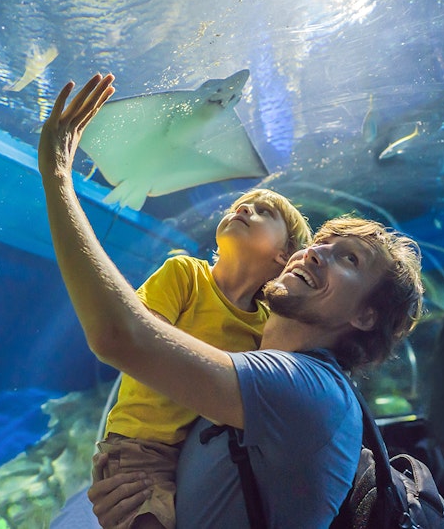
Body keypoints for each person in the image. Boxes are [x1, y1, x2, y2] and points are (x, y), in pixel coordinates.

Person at [39, 73, 425, 528]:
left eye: (349, 259)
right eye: (319, 242)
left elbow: (119, 335)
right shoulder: (243, 366)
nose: (316, 252)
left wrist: (58, 176)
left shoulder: (305, 388)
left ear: (366, 315)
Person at [96, 186, 311, 529]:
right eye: (240, 205)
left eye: (263, 212)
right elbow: (143, 342)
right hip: (141, 448)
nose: (243, 210)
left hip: (196, 454)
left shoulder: (265, 325)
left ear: (283, 255)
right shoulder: (185, 274)